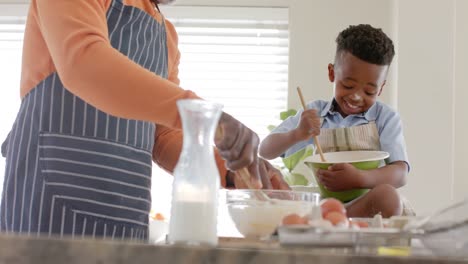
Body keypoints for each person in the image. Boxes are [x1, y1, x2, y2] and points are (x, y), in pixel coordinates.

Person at [0, 0, 289, 239]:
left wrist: (228, 169)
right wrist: (211, 119)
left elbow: (162, 135)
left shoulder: (165, 35)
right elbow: (83, 62)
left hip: (123, 215)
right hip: (47, 209)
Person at [259, 24, 409, 218]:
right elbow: (265, 151)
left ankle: (337, 217)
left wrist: (358, 179)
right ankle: (331, 215)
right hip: (326, 202)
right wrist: (296, 134)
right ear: (332, 73)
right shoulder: (315, 113)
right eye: (348, 85)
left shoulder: (385, 117)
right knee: (274, 190)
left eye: (369, 91)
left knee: (389, 197)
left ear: (380, 88)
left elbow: (400, 173)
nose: (356, 97)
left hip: (368, 203)